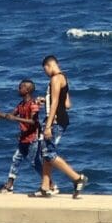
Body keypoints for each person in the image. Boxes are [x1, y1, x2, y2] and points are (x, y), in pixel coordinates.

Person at [37, 55, 88, 199]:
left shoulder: (54, 79)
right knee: (46, 153)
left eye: (45, 70)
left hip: (54, 121)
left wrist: (47, 126)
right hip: (62, 120)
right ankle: (45, 187)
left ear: (49, 66)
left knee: (48, 153)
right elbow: (67, 104)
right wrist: (45, 99)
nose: (46, 73)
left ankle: (77, 178)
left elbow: (54, 104)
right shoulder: (64, 78)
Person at [0, 79, 43, 193]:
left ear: (27, 90)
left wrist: (16, 118)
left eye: (20, 87)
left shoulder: (33, 104)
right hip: (23, 138)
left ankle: (49, 183)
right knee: (16, 159)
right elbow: (10, 116)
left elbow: (33, 122)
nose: (18, 89)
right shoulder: (21, 105)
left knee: (35, 163)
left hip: (33, 139)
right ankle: (9, 185)